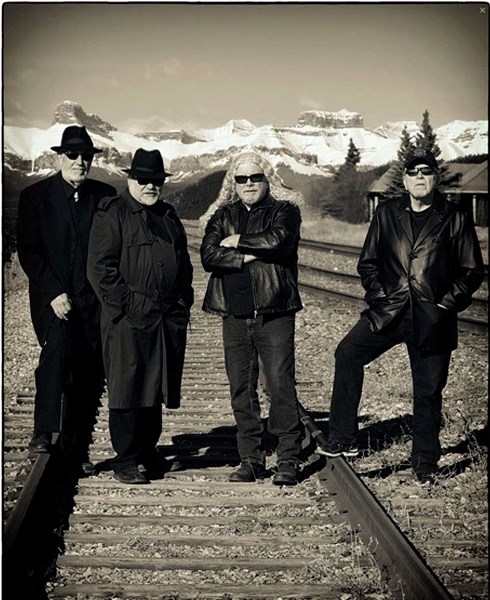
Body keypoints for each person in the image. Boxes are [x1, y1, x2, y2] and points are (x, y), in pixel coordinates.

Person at [317, 148, 484, 484]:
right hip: (388, 311)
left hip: (431, 315)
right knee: (347, 353)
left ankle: (425, 463)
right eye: (413, 172)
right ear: (405, 180)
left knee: (427, 390)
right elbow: (368, 262)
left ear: (435, 178)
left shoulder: (454, 217)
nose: (420, 177)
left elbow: (470, 271)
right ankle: (342, 439)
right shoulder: (387, 213)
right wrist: (379, 297)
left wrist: (444, 306)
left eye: (426, 171)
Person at [87, 148, 194, 484]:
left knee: (156, 384)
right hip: (130, 316)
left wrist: (183, 302)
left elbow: (184, 264)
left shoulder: (168, 214)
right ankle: (126, 458)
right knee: (127, 384)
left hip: (165, 315)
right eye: (144, 180)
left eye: (157, 181)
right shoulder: (113, 213)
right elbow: (99, 268)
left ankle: (149, 450)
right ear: (130, 179)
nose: (151, 186)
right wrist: (125, 306)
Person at [200, 150, 304, 486]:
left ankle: (288, 459)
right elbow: (208, 254)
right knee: (241, 390)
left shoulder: (284, 210)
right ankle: (251, 459)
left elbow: (280, 241)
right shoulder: (222, 214)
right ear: (233, 182)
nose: (248, 184)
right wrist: (249, 256)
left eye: (254, 177)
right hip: (234, 312)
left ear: (266, 179)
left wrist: (239, 244)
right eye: (241, 178)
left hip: (274, 311)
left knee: (280, 385)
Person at [17, 125, 116, 464]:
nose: (80, 161)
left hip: (92, 301)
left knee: (88, 370)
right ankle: (43, 433)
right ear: (59, 157)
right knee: (57, 354)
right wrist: (54, 292)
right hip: (53, 298)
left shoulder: (104, 196)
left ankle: (75, 448)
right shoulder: (35, 197)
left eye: (86, 156)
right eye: (72, 155)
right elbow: (30, 252)